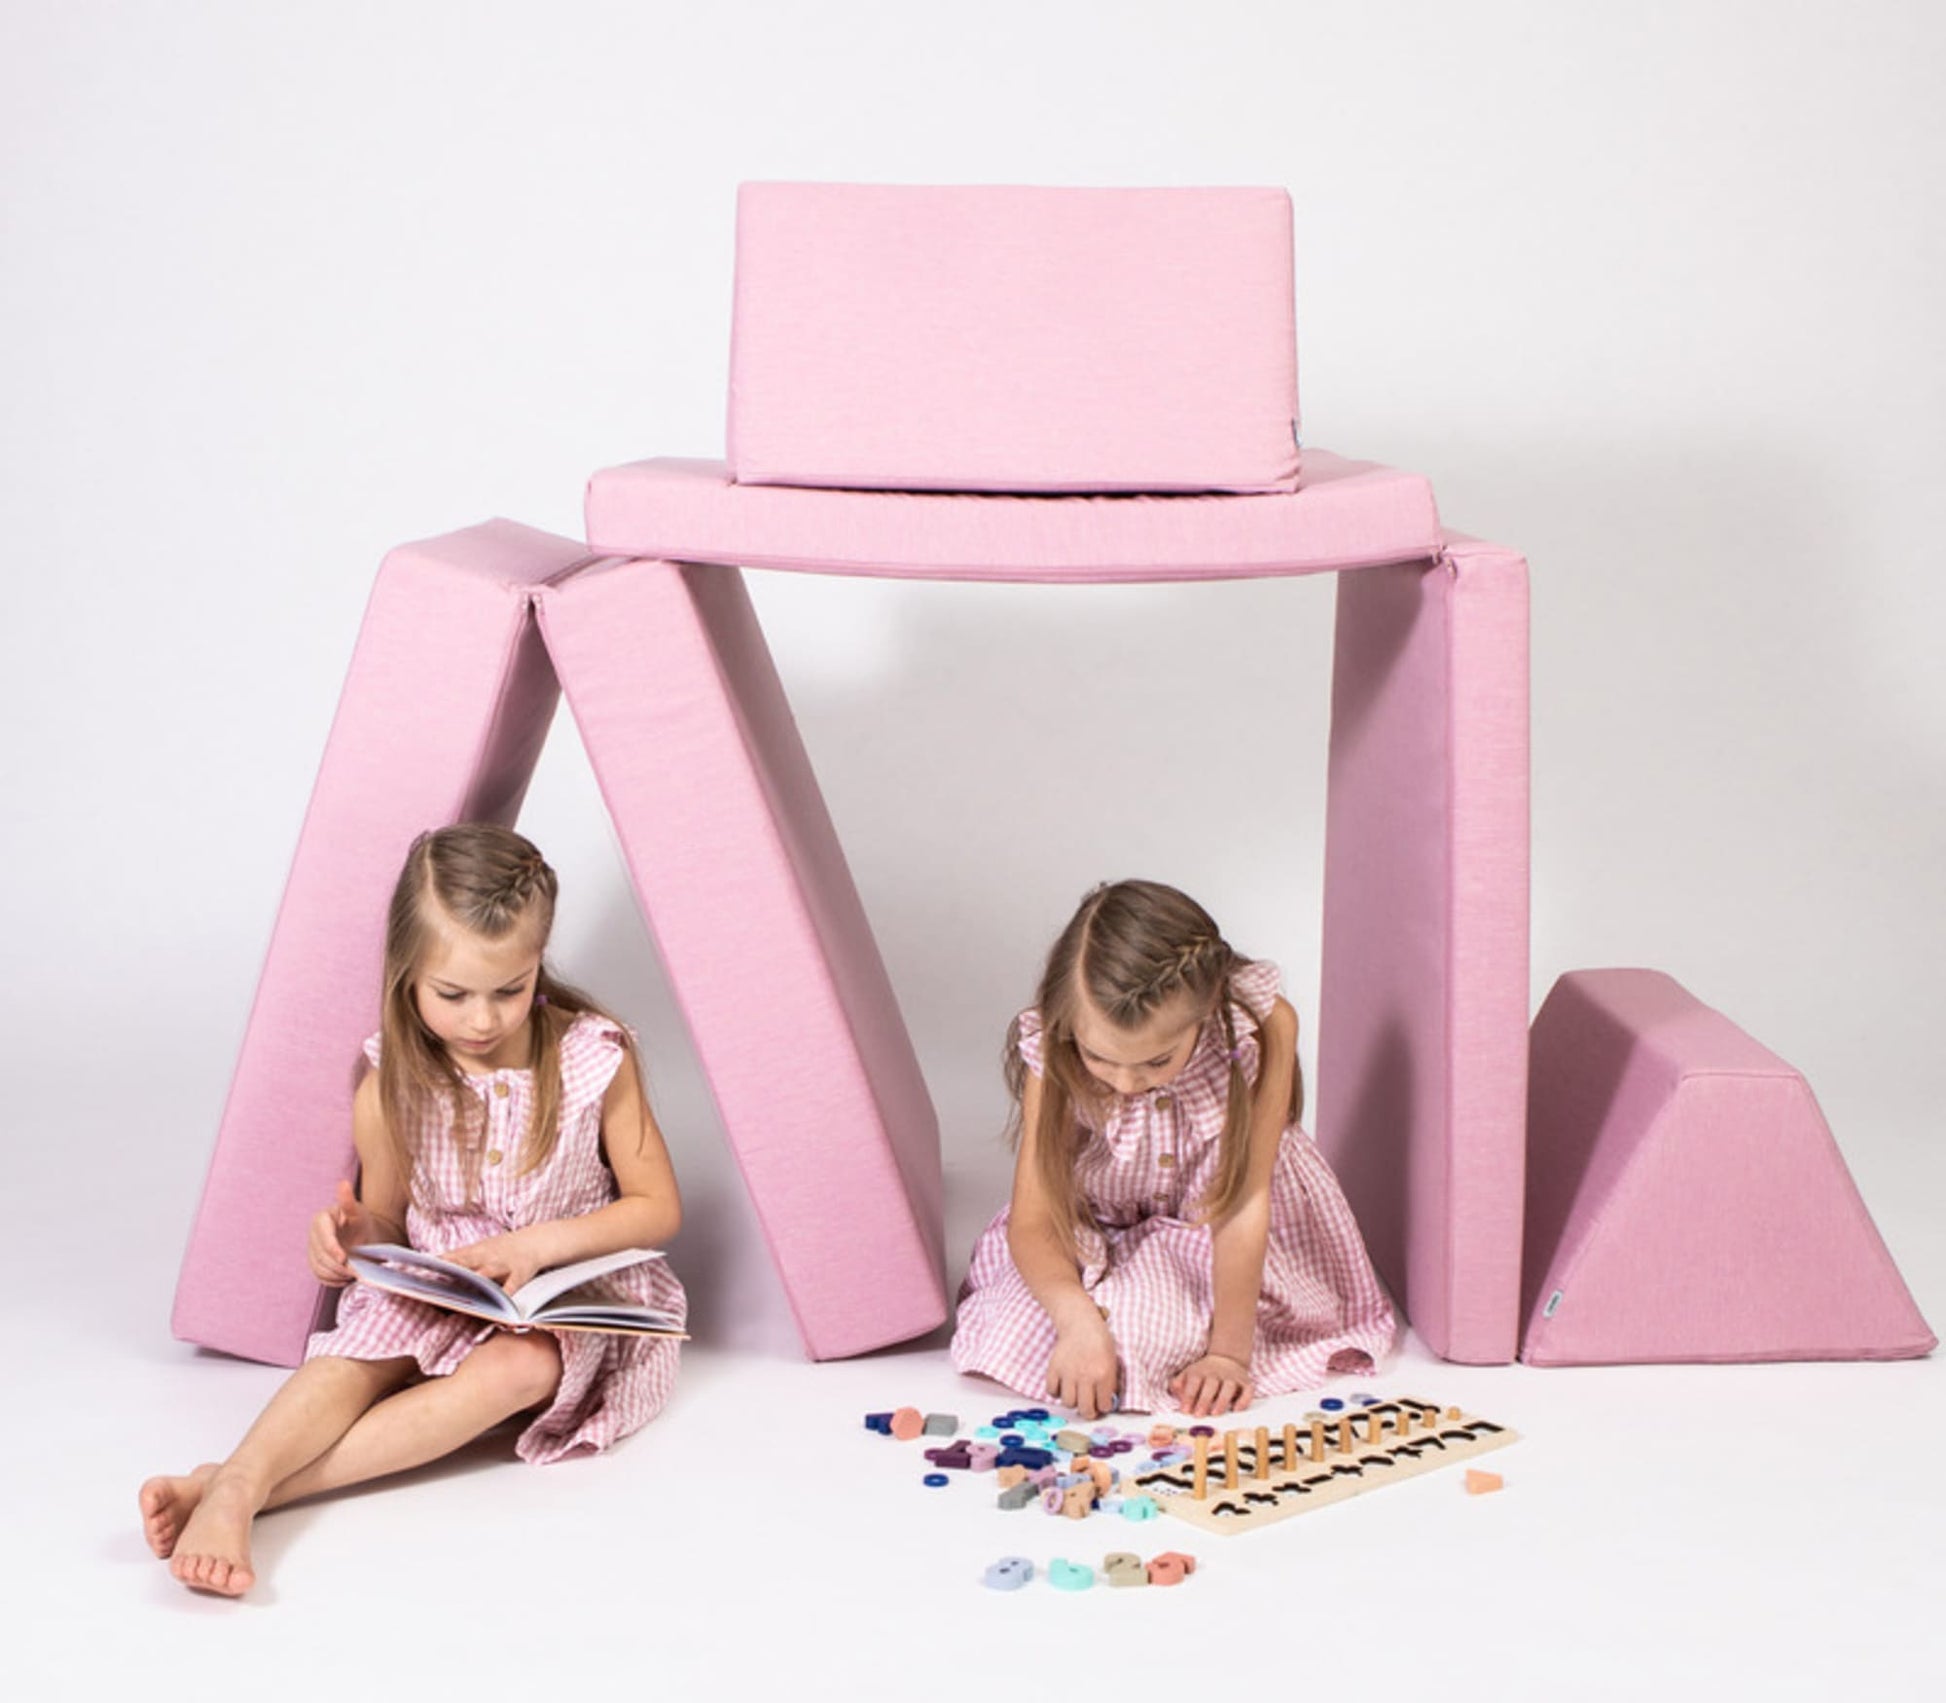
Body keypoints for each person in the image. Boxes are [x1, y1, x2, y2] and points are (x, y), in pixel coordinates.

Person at [140, 824, 685, 1596]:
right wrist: (353, 1235)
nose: (484, 1019)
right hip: (448, 1284)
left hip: (558, 1289)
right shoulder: (393, 1080)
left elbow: (657, 1207)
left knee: (519, 1367)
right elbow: (390, 1222)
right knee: (361, 1351)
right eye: (452, 993)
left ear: (539, 963)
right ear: (408, 974)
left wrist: (538, 1246)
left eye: (511, 988)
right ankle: (238, 1482)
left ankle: (246, 1488)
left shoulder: (593, 1056)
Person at [951, 879, 1394, 1420]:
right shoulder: (1055, 1045)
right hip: (1103, 1224)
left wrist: (1228, 1354)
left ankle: (1162, 1320)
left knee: (1144, 1342)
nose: (1127, 1082)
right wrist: (1077, 1319)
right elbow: (1036, 1218)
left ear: (1205, 1013)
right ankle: (1098, 1313)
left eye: (1156, 1062)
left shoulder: (1257, 1028)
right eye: (1100, 1057)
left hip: (1216, 1229)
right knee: (1026, 1326)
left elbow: (1243, 1206)